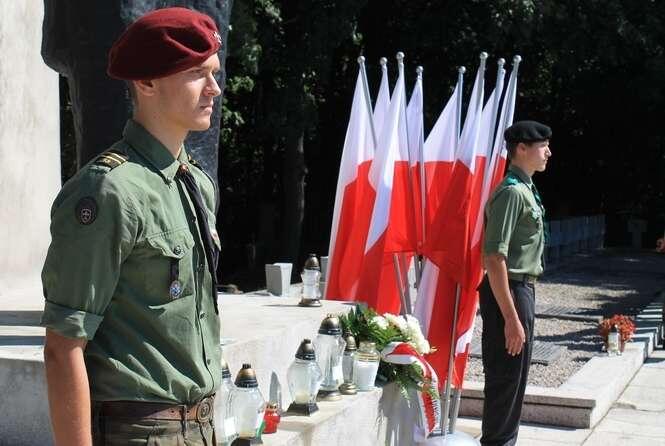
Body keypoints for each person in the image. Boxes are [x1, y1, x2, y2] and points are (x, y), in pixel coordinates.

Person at [40, 7, 223, 445]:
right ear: (146, 83)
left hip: (201, 426)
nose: (214, 88)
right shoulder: (108, 191)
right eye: (196, 73)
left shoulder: (195, 183)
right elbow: (63, 347)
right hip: (138, 432)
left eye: (214, 73)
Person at [479, 120, 552, 445]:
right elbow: (495, 258)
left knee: (514, 379)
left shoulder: (525, 190)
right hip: (508, 290)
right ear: (521, 148)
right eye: (542, 146)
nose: (548, 152)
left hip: (521, 289)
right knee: (505, 379)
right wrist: (511, 317)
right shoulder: (511, 192)